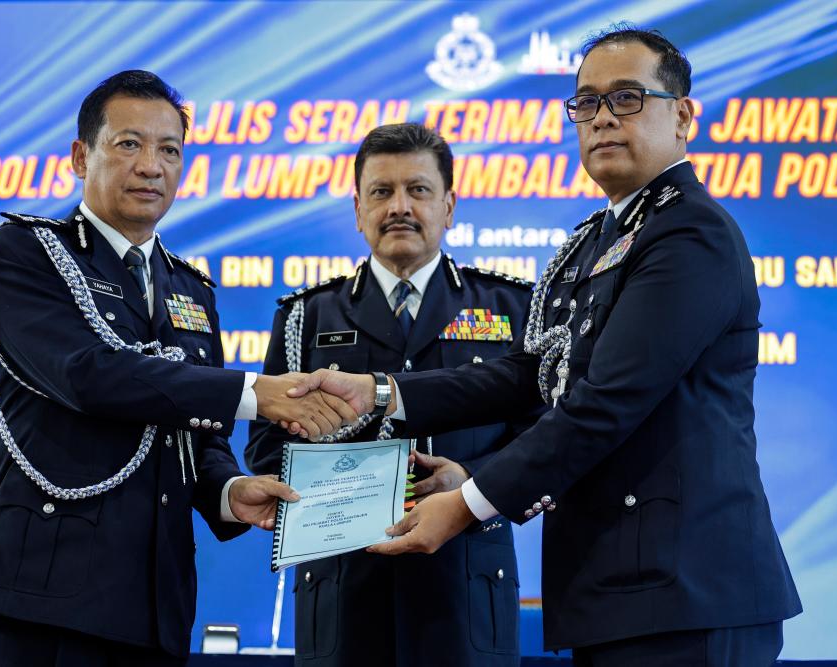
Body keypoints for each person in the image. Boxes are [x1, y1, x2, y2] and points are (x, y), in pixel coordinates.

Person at [289, 25, 802, 666]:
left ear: (683, 117)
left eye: (627, 98)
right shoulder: (595, 242)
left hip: (686, 592)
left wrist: (467, 504)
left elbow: (603, 403)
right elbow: (530, 375)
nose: (603, 118)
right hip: (619, 589)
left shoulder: (689, 235)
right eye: (586, 102)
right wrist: (382, 393)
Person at [0, 70, 354, 666]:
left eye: (170, 149)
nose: (151, 166)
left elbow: (200, 439)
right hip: (39, 598)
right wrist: (255, 393)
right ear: (79, 156)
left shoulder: (189, 288)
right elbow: (88, 375)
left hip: (155, 606)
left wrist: (229, 489)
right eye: (129, 144)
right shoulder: (25, 253)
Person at [245, 123, 535, 667]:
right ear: (357, 209)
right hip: (344, 595)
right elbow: (265, 451)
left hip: (466, 594)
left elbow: (542, 438)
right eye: (381, 192)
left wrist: (470, 479)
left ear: (449, 205)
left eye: (418, 190)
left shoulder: (509, 307)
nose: (399, 206)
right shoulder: (307, 316)